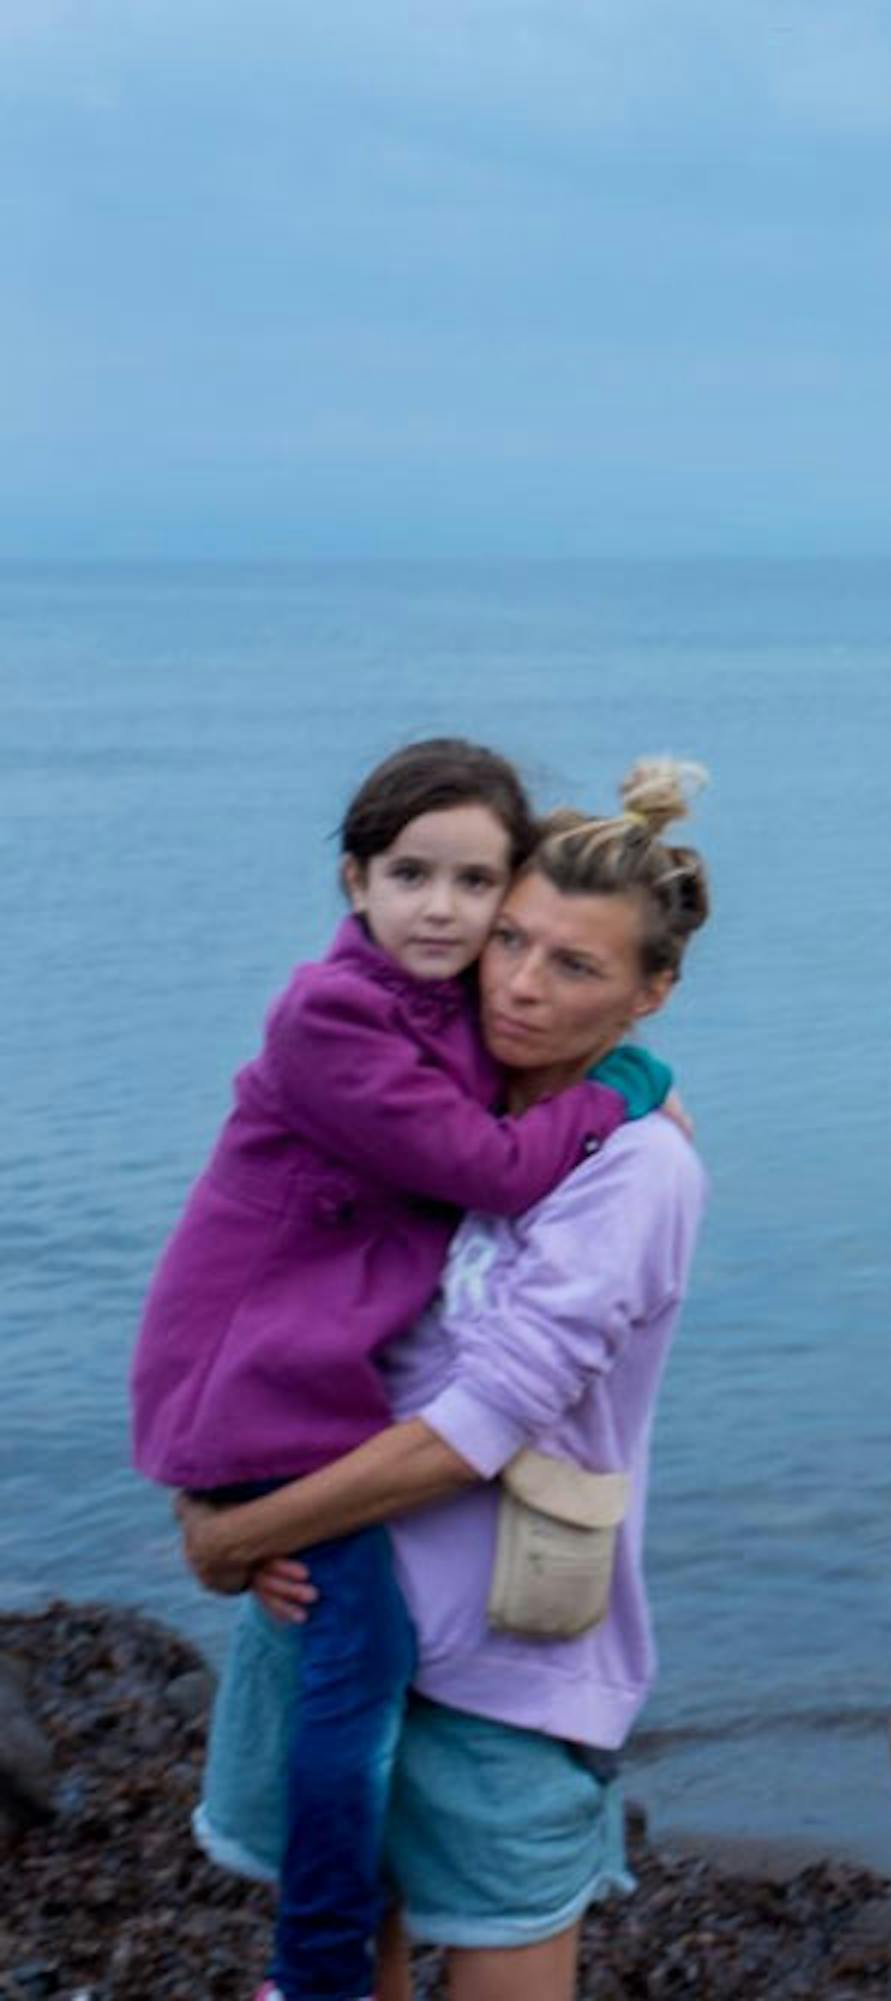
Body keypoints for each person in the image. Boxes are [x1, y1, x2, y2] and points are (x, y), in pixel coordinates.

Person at [128, 738, 670, 2001]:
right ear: (354, 881)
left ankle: (315, 1957)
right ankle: (310, 1970)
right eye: (412, 876)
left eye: (477, 887)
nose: (450, 915)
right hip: (266, 1388)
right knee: (356, 1668)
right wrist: (630, 1086)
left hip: (317, 1414)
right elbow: (487, 1163)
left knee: (347, 1672)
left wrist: (627, 1096)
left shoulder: (459, 1025)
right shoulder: (336, 1014)